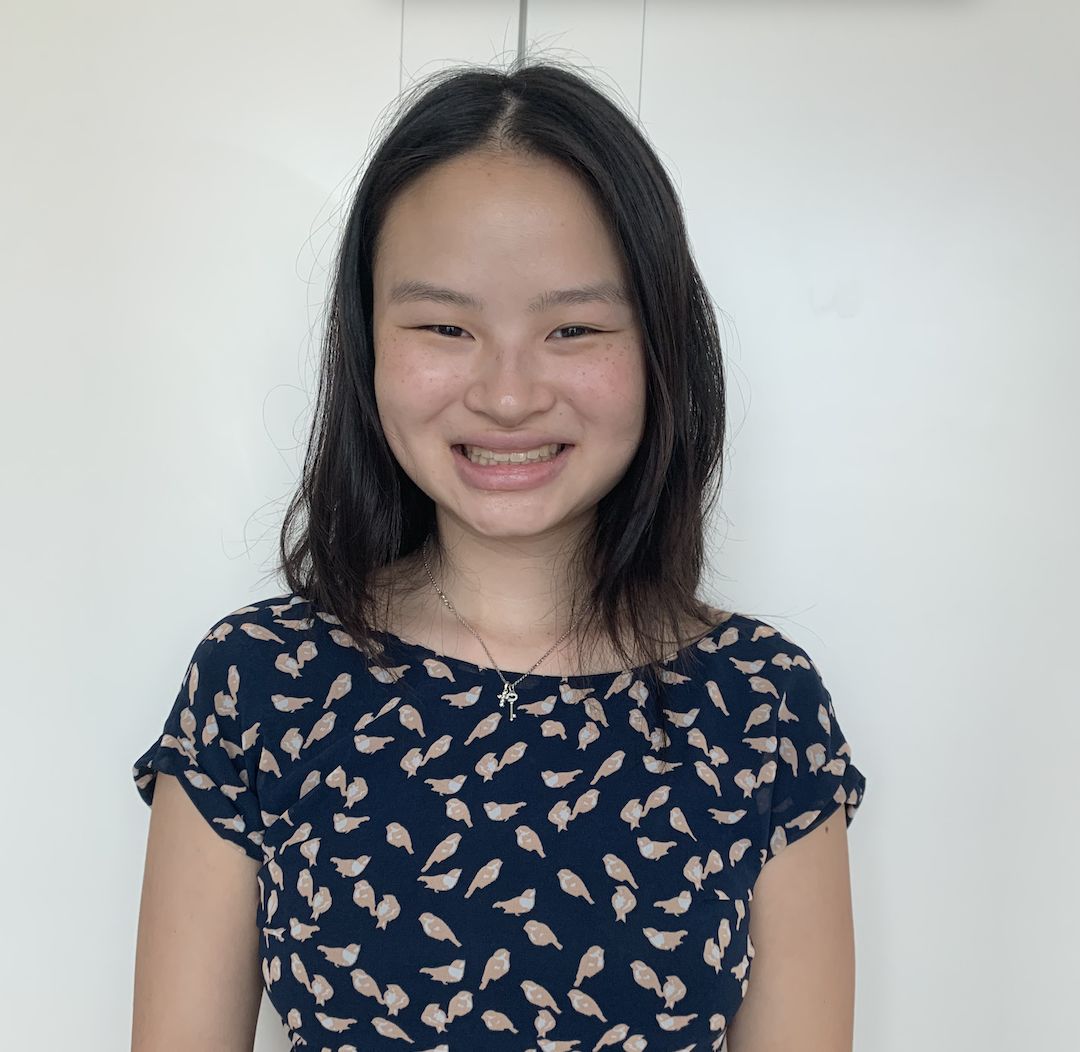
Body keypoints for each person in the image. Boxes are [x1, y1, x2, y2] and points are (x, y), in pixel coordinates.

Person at [131, 59, 866, 1052]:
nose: (508, 394)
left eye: (572, 326)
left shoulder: (758, 707)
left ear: (659, 348)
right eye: (444, 325)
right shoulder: (258, 684)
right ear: (367, 340)